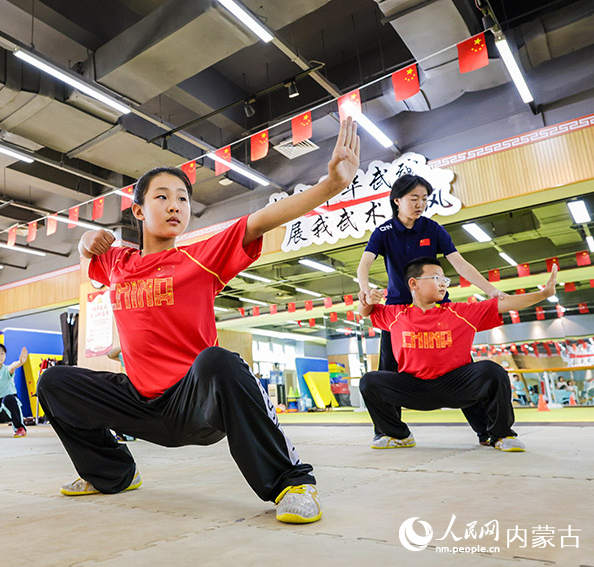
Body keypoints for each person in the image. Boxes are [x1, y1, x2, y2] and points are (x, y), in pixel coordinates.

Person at [37, 118, 361, 525]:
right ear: (138, 210)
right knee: (54, 382)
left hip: (195, 403)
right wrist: (87, 242)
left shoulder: (200, 256)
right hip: (140, 404)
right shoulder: (119, 262)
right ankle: (113, 473)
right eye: (162, 197)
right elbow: (89, 263)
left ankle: (291, 483)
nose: (175, 205)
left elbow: (261, 220)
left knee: (218, 360)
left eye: (183, 199)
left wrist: (331, 186)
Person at [357, 174, 503, 446]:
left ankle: (485, 430)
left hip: (437, 311)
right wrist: (365, 289)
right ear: (397, 200)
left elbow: (460, 264)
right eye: (414, 198)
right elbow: (364, 264)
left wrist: (491, 290)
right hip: (398, 314)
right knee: (387, 370)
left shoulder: (433, 229)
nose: (420, 204)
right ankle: (391, 432)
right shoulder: (384, 232)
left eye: (424, 199)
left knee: (461, 368)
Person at [358, 257, 558, 451]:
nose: (443, 283)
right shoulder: (396, 315)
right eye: (436, 278)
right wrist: (367, 300)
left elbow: (504, 304)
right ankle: (399, 435)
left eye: (445, 279)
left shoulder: (460, 312)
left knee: (492, 371)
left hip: (455, 385)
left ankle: (501, 435)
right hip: (414, 387)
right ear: (413, 283)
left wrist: (543, 294)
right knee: (369, 381)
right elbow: (365, 312)